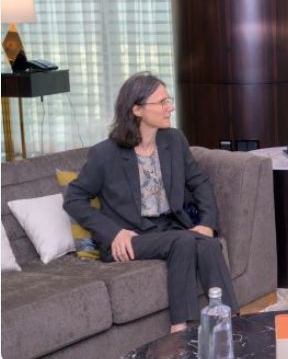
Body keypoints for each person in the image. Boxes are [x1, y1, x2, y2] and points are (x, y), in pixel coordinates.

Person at [64, 72, 239, 333]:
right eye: (162, 102)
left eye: (169, 100)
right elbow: (74, 199)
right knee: (184, 240)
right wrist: (113, 232)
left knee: (208, 243)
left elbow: (199, 182)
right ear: (137, 110)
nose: (171, 107)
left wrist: (207, 223)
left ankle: (231, 324)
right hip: (130, 238)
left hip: (169, 228)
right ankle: (179, 331)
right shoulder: (105, 154)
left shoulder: (173, 140)